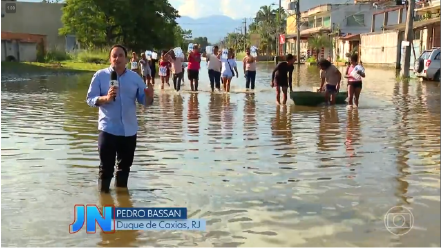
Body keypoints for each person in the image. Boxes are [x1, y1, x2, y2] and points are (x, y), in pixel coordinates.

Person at [86, 44, 154, 193]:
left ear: (127, 59)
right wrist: (106, 98)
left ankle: (122, 204)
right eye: (114, 56)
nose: (117, 58)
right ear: (110, 59)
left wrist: (149, 96)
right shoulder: (100, 75)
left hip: (129, 131)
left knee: (124, 169)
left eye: (121, 55)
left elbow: (145, 102)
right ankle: (104, 204)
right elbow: (90, 99)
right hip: (108, 129)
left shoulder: (135, 78)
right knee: (106, 169)